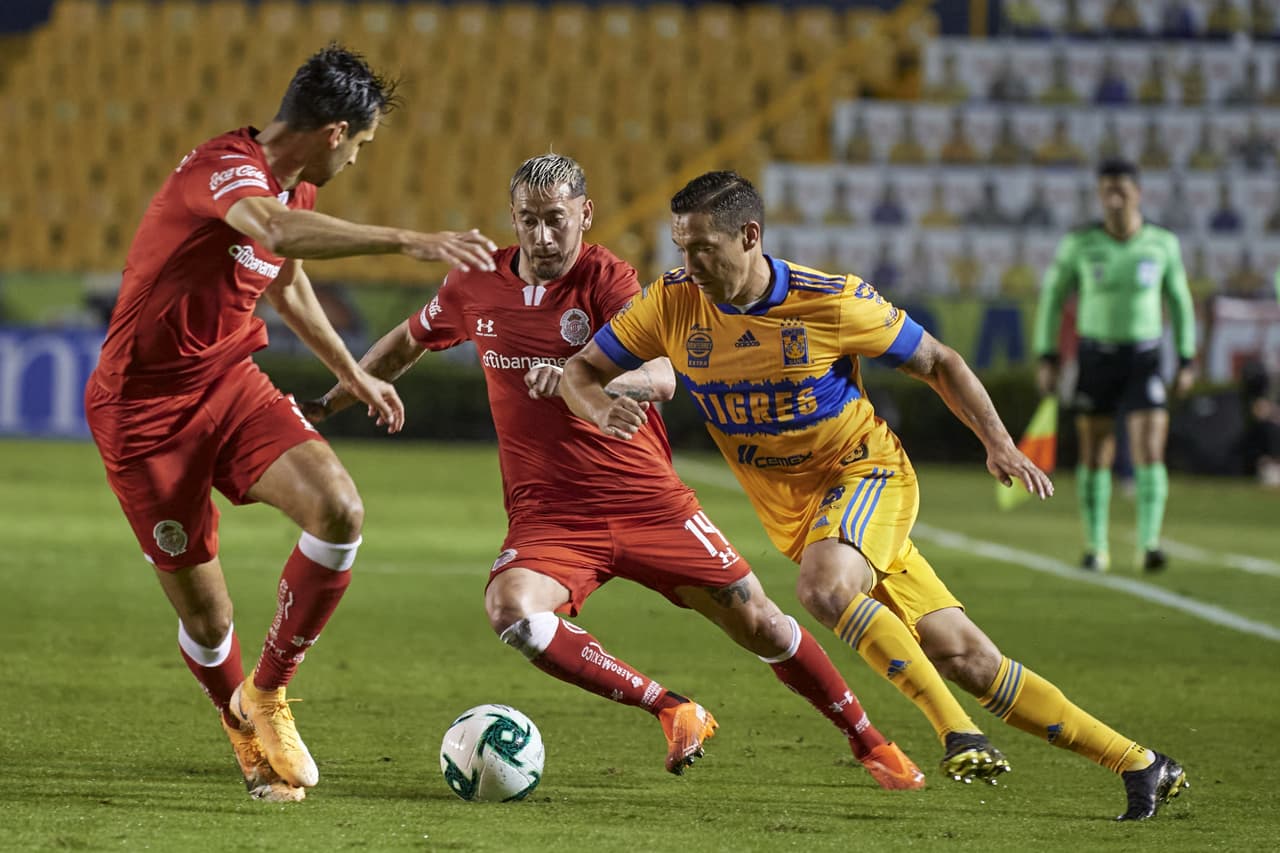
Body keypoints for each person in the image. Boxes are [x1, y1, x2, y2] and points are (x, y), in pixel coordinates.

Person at [561, 170, 1189, 821]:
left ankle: (958, 732)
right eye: (681, 248)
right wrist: (600, 408)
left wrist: (998, 443)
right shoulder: (672, 303)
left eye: (702, 248)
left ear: (749, 235)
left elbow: (940, 361)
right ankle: (1140, 763)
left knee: (824, 588)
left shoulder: (829, 301)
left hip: (866, 474)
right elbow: (581, 370)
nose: (689, 264)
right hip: (802, 514)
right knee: (965, 656)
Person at [303, 154, 925, 790]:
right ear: (512, 218)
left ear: (585, 214)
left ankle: (871, 743)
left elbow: (664, 372)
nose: (543, 236)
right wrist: (332, 400)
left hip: (647, 501)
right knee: (512, 609)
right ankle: (672, 708)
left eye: (556, 219)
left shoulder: (608, 280)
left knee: (760, 623)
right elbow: (408, 340)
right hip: (551, 515)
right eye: (528, 221)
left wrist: (589, 380)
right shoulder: (475, 282)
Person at [83, 46, 499, 803]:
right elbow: (272, 231)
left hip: (228, 385)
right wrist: (406, 239)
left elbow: (288, 281)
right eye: (362, 145)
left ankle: (267, 693)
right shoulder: (223, 169)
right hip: (142, 415)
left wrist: (352, 373)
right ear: (336, 132)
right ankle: (238, 723)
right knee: (208, 619)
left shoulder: (294, 189)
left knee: (339, 509)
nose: (358, 159)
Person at [1033, 160, 1196, 573]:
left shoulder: (1162, 243)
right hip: (1096, 357)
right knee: (1095, 453)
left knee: (1150, 449)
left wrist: (1186, 357)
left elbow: (1180, 300)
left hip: (1145, 357)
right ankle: (1096, 547)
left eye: (1121, 189)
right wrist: (1047, 355)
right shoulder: (1080, 243)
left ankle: (1149, 544)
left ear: (1138, 193)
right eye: (1107, 189)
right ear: (1099, 194)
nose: (1114, 197)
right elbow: (1053, 298)